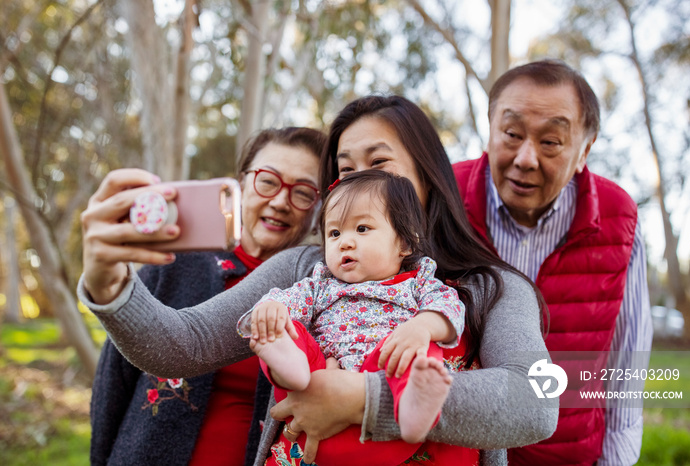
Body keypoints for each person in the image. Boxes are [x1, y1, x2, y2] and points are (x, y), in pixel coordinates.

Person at [78, 95, 558, 466]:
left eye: (377, 164)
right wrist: (108, 282)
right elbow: (182, 345)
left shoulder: (488, 287)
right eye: (344, 172)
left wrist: (363, 399)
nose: (357, 184)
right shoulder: (307, 269)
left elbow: (537, 401)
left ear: (428, 178)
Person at [452, 59, 653, 466]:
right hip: (458, 450)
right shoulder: (442, 199)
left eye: (551, 142)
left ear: (584, 151)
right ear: (490, 129)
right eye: (511, 134)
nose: (526, 158)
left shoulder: (619, 219)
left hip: (568, 453)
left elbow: (627, 363)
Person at [88, 127, 327, 466]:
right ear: (241, 183)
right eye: (268, 181)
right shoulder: (174, 263)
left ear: (317, 207)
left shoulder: (318, 295)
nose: (280, 201)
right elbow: (113, 382)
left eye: (303, 192)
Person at [246, 170, 466, 452]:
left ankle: (413, 407)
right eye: (334, 233)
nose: (345, 242)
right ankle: (289, 367)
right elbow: (285, 301)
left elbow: (449, 306)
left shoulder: (418, 282)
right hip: (316, 384)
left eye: (362, 229)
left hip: (382, 379)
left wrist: (422, 326)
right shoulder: (320, 285)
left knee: (418, 350)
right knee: (282, 328)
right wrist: (272, 310)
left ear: (404, 243)